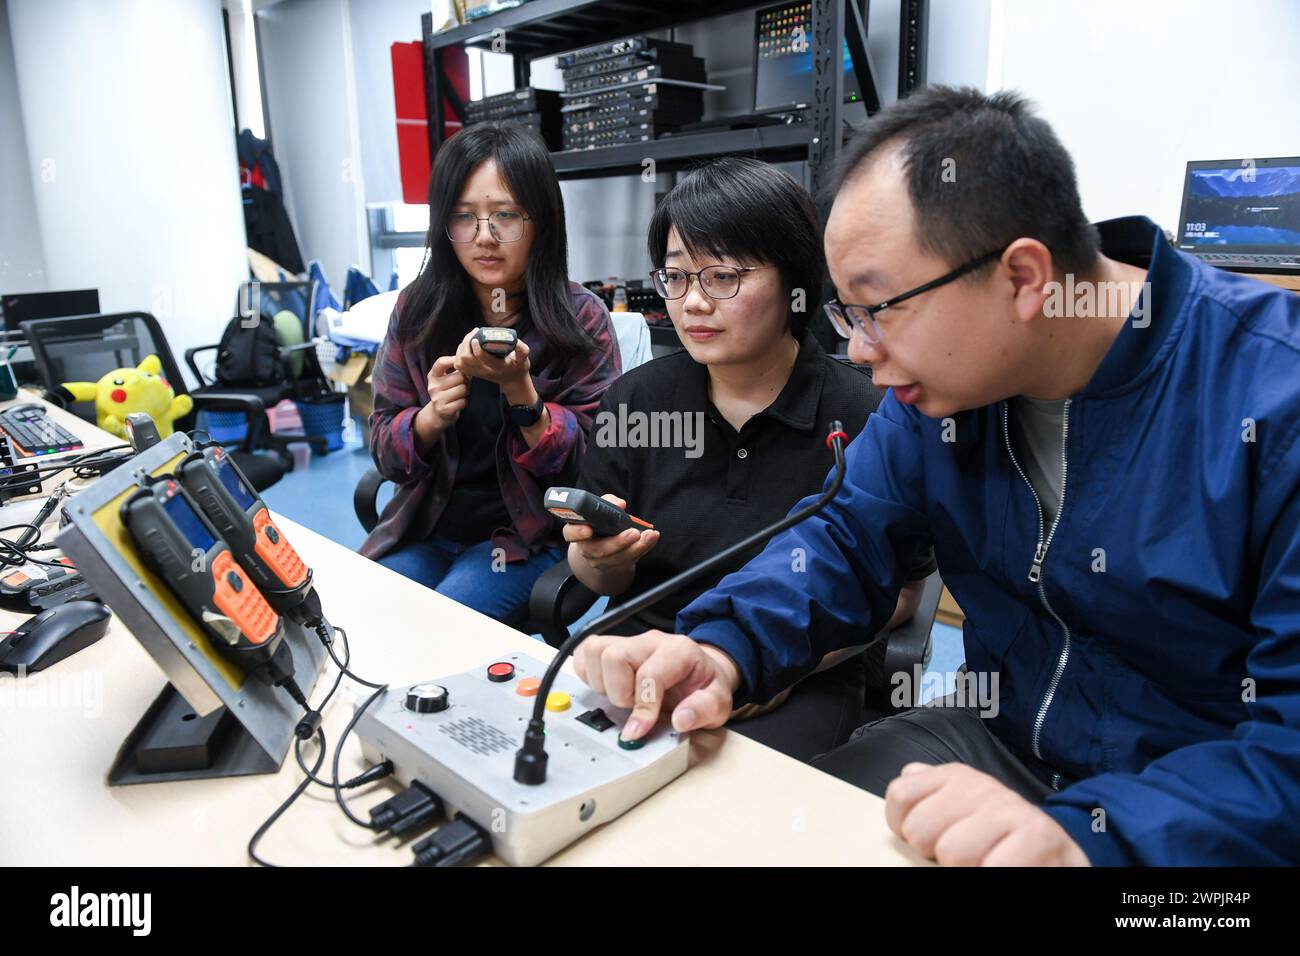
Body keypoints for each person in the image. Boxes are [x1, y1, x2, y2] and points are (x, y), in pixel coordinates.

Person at [572, 87, 1300, 865]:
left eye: (878, 310)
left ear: (1023, 277)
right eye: (846, 315)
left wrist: (1094, 837)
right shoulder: (940, 396)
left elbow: (1286, 755)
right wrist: (721, 648)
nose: (857, 350)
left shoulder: (1270, 402)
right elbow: (846, 538)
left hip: (1198, 804)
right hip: (999, 740)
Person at [566, 157, 931, 761]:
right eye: (676, 278)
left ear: (795, 284)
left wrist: (764, 665)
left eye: (724, 278)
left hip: (809, 664)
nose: (692, 304)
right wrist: (598, 557)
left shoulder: (865, 413)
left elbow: (901, 597)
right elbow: (602, 582)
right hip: (646, 641)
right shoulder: (638, 399)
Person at [361, 122, 620, 622]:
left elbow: (593, 468)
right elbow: (385, 451)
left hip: (524, 539)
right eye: (464, 218)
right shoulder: (417, 312)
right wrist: (431, 418)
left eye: (506, 216)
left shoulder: (581, 318)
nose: (486, 237)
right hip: (426, 527)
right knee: (365, 615)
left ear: (540, 220)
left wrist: (523, 398)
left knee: (443, 622)